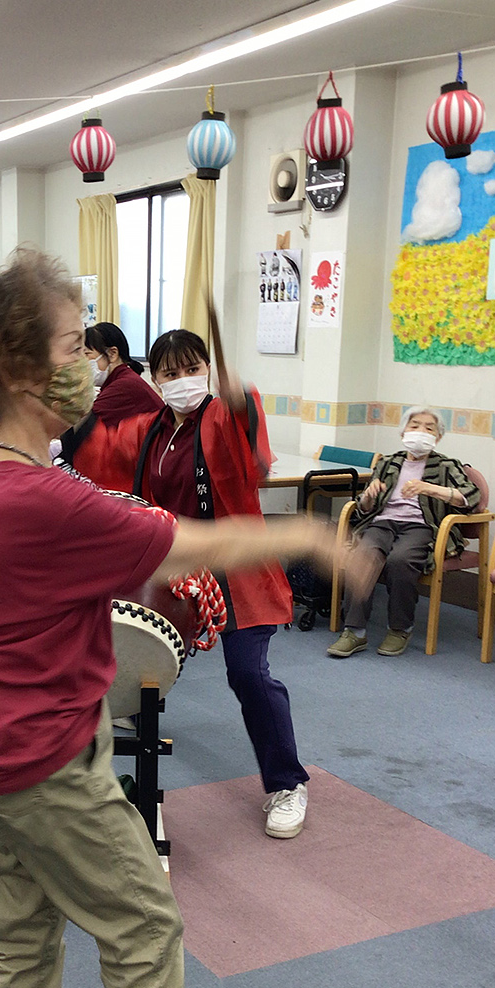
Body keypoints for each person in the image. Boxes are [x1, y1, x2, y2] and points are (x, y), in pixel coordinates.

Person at [0, 249, 364, 988]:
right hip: (46, 758)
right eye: (71, 346)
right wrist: (304, 533)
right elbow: (195, 542)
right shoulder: (40, 497)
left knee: (25, 926)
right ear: (19, 371)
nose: (91, 363)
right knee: (143, 923)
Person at [62, 327, 311, 840]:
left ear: (207, 371)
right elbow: (102, 449)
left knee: (249, 675)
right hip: (175, 566)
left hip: (237, 567)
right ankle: (113, 743)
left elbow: (245, 435)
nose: (183, 380)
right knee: (130, 651)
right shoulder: (150, 427)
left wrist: (240, 397)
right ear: (156, 379)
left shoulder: (218, 418)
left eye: (192, 369)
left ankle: (287, 783)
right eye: (170, 373)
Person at [327, 406, 480, 658]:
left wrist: (429, 488)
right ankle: (354, 631)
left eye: (429, 428)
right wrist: (368, 496)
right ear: (403, 432)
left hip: (421, 526)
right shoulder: (388, 463)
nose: (421, 431)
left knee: (401, 560)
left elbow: (471, 497)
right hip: (382, 522)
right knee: (362, 558)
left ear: (438, 437)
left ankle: (400, 629)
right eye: (415, 425)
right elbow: (364, 509)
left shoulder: (446, 465)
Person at [83, 321, 163, 425]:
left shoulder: (123, 385)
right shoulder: (121, 379)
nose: (81, 362)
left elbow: (84, 428)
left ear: (112, 354)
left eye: (86, 354)